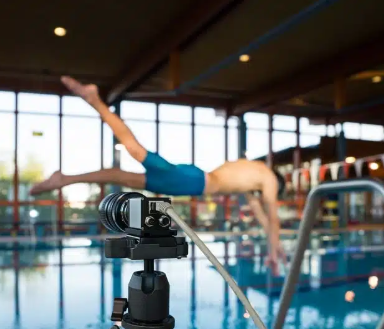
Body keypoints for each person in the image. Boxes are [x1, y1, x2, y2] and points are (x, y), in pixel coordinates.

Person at [31, 76, 287, 274]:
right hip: (193, 182)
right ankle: (94, 100)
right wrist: (274, 252)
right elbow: (272, 219)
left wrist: (275, 246)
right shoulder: (267, 179)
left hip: (192, 177)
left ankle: (64, 179)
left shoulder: (254, 175)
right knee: (134, 150)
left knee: (120, 176)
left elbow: (264, 220)